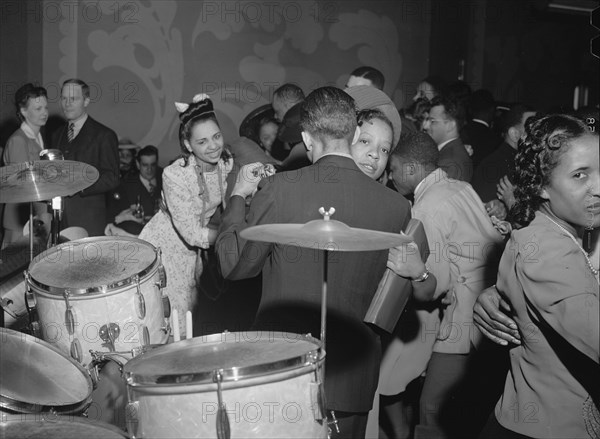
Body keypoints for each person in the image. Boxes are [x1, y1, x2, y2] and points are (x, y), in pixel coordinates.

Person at [216, 86, 430, 438]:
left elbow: (235, 266)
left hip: (286, 370)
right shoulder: (396, 207)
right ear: (352, 133)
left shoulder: (280, 189)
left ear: (306, 138)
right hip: (354, 376)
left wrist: (237, 198)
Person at [477, 114, 599, 439]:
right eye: (580, 175)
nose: (598, 188)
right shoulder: (546, 246)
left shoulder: (569, 226)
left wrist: (497, 292)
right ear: (542, 186)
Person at [385, 132, 505, 438]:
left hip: (465, 320)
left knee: (432, 414)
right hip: (492, 307)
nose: (390, 176)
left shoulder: (425, 209)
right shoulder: (458, 186)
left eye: (394, 169)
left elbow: (433, 286)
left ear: (411, 169)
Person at [138, 94, 233, 337]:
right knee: (172, 321)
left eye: (217, 136)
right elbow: (191, 233)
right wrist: (234, 237)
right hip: (165, 248)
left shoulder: (226, 162)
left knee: (193, 317)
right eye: (202, 142)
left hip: (196, 253)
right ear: (189, 145)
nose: (213, 146)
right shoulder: (175, 175)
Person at [52, 78, 119, 237]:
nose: (67, 103)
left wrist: (80, 186)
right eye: (64, 98)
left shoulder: (104, 135)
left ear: (86, 101)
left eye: (73, 99)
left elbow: (112, 177)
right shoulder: (56, 135)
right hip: (59, 219)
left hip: (89, 221)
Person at [471, 104, 537, 220]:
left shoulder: (525, 161)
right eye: (532, 126)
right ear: (515, 134)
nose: (539, 133)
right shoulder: (494, 166)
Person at [2, 83, 49, 245]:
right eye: (38, 109)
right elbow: (19, 185)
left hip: (36, 215)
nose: (44, 112)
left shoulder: (38, 138)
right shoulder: (18, 140)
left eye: (45, 107)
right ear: (23, 111)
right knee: (15, 266)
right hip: (21, 218)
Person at [105, 145, 163, 237]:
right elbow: (115, 218)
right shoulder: (125, 185)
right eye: (145, 165)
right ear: (137, 164)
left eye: (153, 165)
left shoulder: (165, 180)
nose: (149, 169)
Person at [424, 94, 473, 182]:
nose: (426, 126)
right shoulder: (451, 153)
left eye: (432, 121)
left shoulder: (449, 163)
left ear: (450, 125)